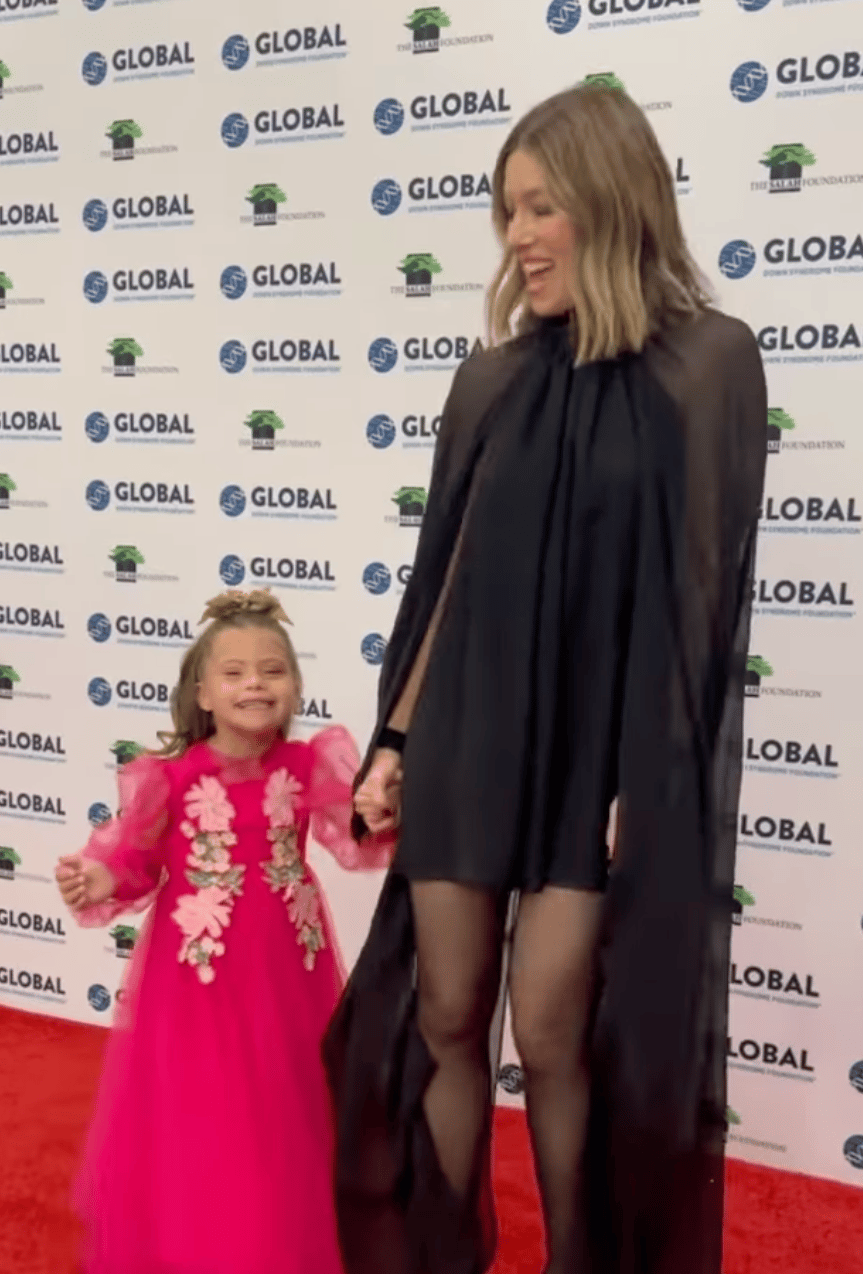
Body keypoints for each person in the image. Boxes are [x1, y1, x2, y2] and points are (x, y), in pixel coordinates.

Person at [323, 82, 767, 1274]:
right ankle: (445, 1254)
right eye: (505, 212)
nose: (516, 236)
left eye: (538, 206)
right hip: (467, 730)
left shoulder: (709, 363)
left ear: (609, 202)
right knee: (445, 1010)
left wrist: (652, 775)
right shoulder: (488, 380)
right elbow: (446, 576)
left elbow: (698, 600)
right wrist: (394, 739)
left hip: (598, 751)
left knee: (557, 1026)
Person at [55, 589, 391, 1274]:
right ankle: (206, 1240)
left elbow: (354, 836)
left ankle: (280, 1238)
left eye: (272, 670)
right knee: (207, 1108)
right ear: (202, 692)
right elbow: (136, 859)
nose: (255, 685)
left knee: (286, 1106)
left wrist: (380, 809)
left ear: (294, 685)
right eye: (234, 673)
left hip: (288, 970)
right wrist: (101, 878)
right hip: (195, 979)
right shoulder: (171, 777)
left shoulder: (306, 766)